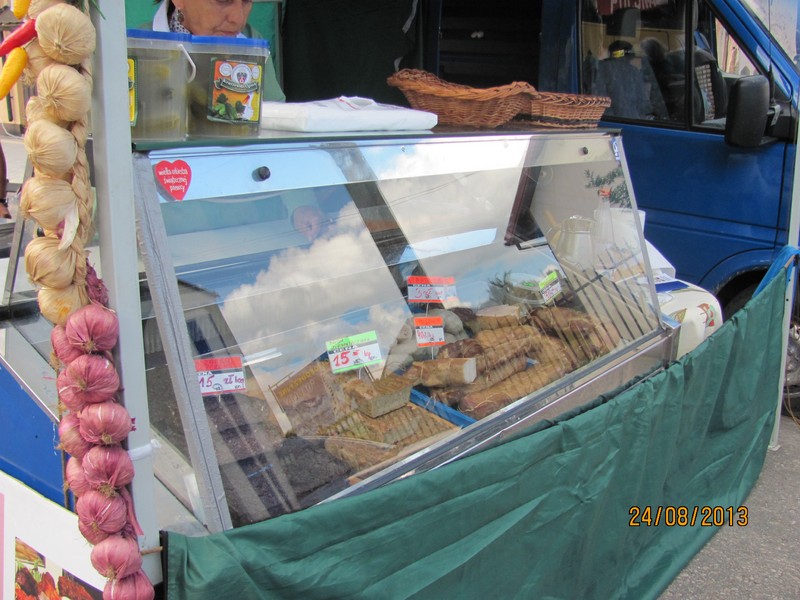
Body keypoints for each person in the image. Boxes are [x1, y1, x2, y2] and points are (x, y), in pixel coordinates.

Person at [146, 0, 285, 102]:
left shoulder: (252, 42)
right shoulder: (139, 48)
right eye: (222, 1)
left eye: (247, 1)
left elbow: (275, 118)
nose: (237, 18)